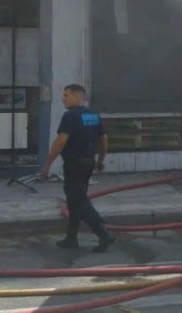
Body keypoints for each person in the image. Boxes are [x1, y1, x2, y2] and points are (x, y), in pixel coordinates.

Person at [41, 84, 116, 252]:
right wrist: (100, 160)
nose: (63, 99)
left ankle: (103, 233)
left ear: (77, 97)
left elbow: (60, 142)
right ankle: (71, 238)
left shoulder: (70, 116)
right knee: (74, 200)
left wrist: (47, 164)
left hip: (74, 164)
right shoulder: (93, 115)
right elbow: (104, 139)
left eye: (66, 96)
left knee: (79, 201)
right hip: (88, 162)